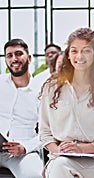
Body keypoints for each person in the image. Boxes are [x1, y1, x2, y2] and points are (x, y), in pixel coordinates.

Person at [39, 28, 94, 178]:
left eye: (86, 51)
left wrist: (81, 149)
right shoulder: (51, 87)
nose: (80, 56)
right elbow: (44, 132)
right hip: (61, 158)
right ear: (68, 55)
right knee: (60, 166)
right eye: (74, 51)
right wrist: (60, 150)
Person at [0, 38, 43, 177]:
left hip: (23, 153)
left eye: (18, 54)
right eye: (9, 55)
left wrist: (25, 147)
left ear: (29, 58)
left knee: (34, 175)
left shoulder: (41, 91)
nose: (14, 59)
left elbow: (48, 132)